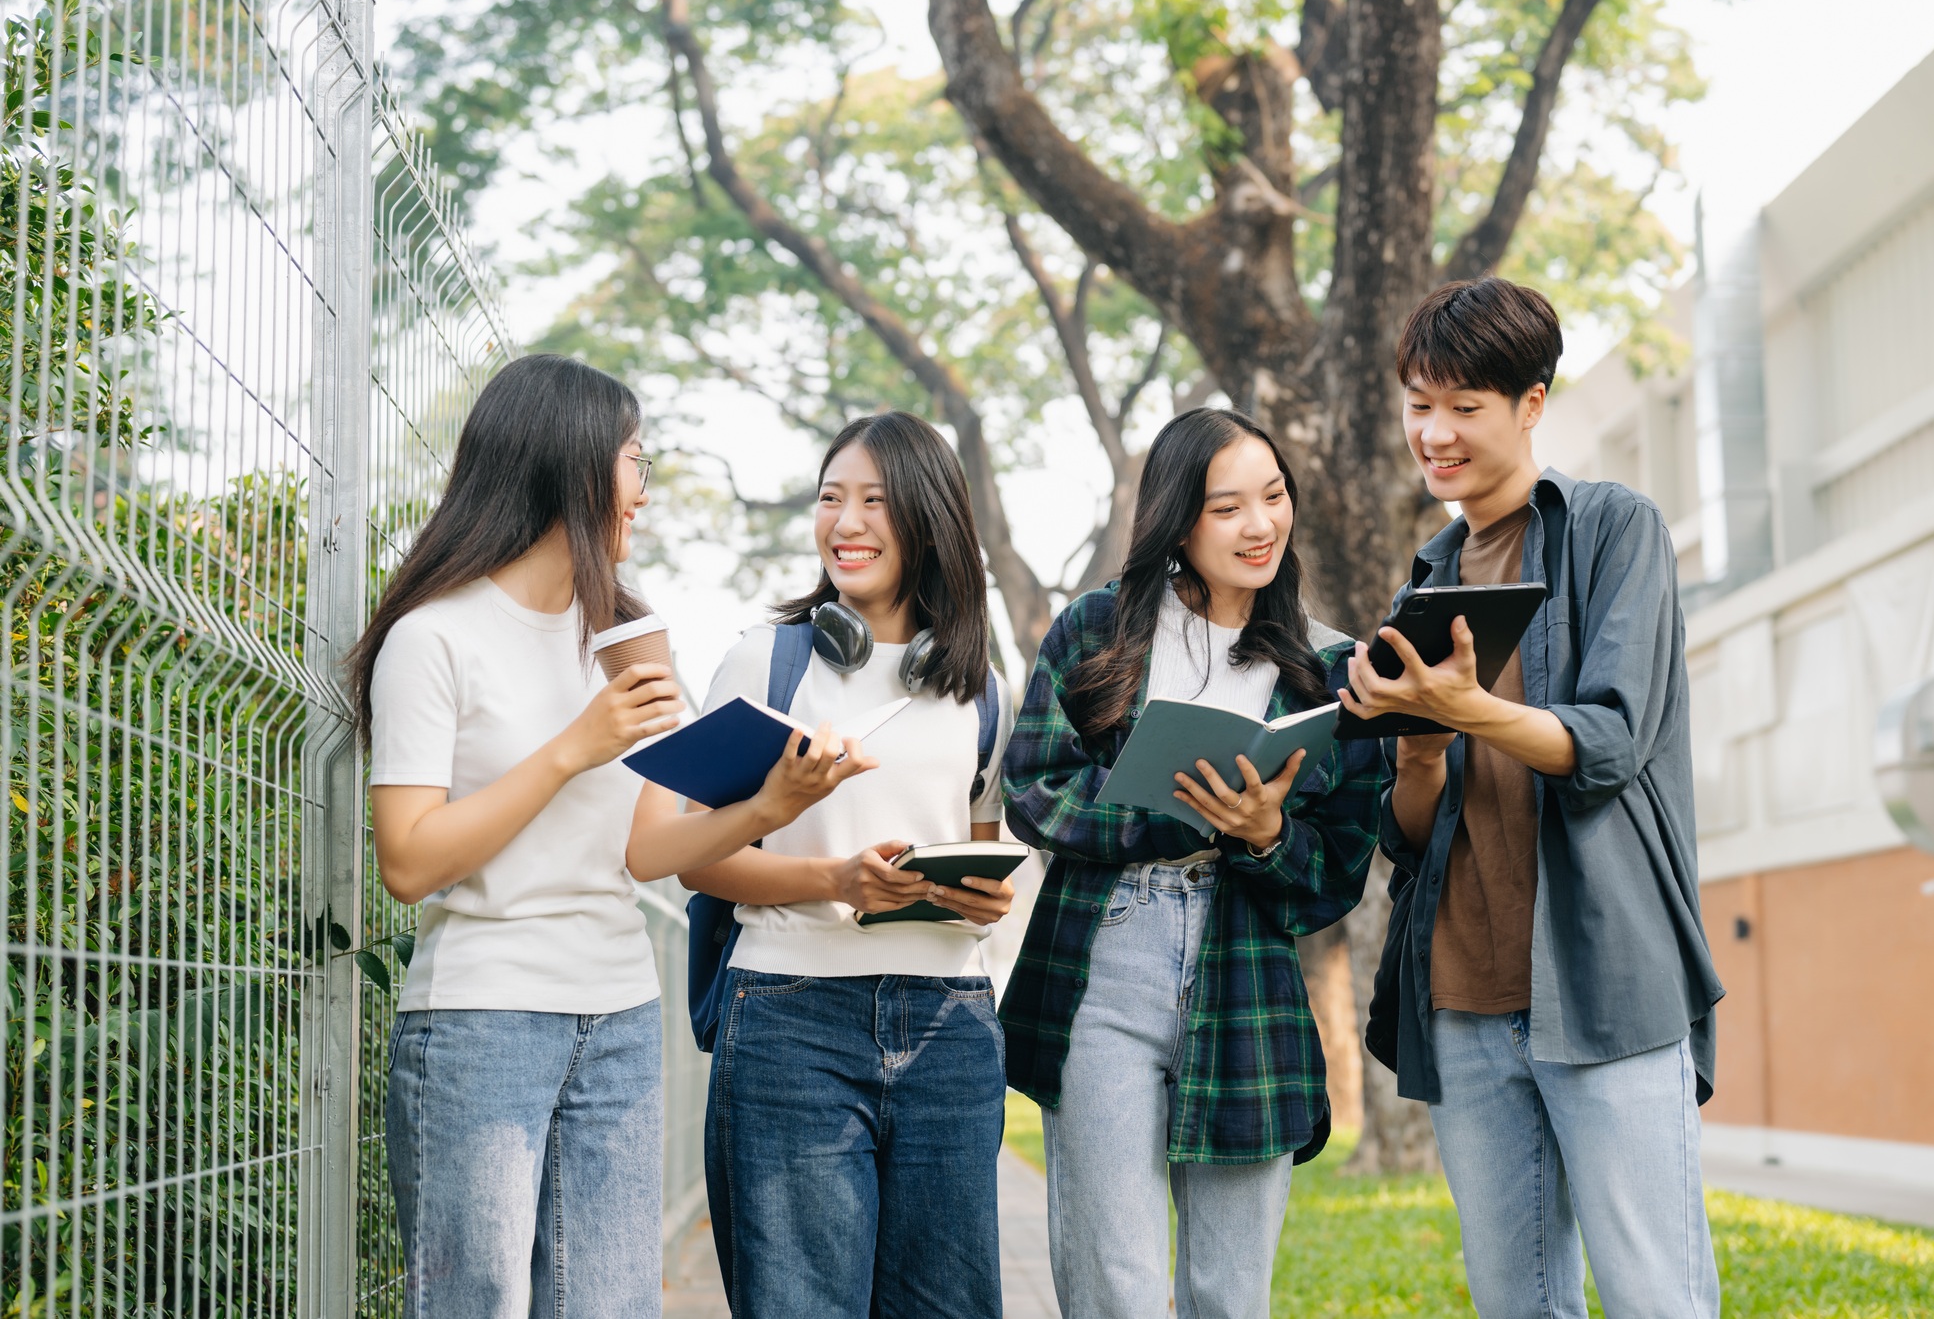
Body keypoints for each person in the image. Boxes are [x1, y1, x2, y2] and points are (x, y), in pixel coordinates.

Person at [351, 353, 870, 1317]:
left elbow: (642, 850)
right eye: (637, 462)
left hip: (622, 1014)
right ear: (574, 466)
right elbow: (409, 859)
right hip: (483, 1017)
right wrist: (572, 747)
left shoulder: (628, 634)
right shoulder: (436, 637)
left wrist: (773, 805)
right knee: (479, 1302)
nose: (645, 493)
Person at [1341, 277, 1725, 1318]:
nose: (1435, 431)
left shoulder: (1612, 530)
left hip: (1603, 983)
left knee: (1656, 1294)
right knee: (1520, 1303)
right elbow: (1408, 832)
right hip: (1463, 999)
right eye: (1419, 403)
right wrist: (1417, 748)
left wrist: (1463, 708)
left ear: (1531, 404)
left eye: (1464, 405)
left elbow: (1607, 737)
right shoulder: (1421, 584)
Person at [1001, 406, 1388, 1318]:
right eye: (1228, 507)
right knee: (1114, 1282)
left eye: (1274, 496)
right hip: (1105, 958)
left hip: (1244, 966)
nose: (1261, 525)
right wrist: (1163, 819)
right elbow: (1033, 789)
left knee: (1229, 1291)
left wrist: (1262, 835)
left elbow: (1335, 870)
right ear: (1178, 519)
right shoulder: (1097, 628)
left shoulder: (1330, 668)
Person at [680, 410, 1017, 1318]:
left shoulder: (984, 685)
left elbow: (982, 845)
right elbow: (698, 857)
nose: (847, 522)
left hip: (952, 1022)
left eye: (874, 500)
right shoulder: (766, 662)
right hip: (790, 1019)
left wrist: (977, 895)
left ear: (929, 516)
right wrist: (838, 880)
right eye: (832, 498)